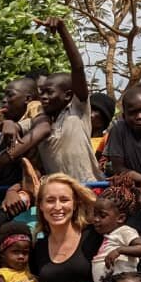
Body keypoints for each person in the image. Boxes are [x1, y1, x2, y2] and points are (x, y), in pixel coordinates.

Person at [17, 19, 103, 182]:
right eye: (41, 92)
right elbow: (18, 127)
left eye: (49, 93)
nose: (43, 97)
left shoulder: (78, 112)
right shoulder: (38, 120)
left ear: (68, 96)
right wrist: (10, 125)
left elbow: (77, 68)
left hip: (88, 188)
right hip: (59, 195)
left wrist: (62, 30)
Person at [29, 173, 101, 282]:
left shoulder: (93, 237)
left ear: (75, 204)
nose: (57, 207)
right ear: (40, 205)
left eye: (64, 199)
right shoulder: (38, 248)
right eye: (50, 200)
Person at [84, 178, 141, 282]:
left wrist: (119, 250)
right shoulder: (107, 235)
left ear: (120, 218)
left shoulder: (125, 231)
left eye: (102, 216)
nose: (96, 219)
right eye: (94, 215)